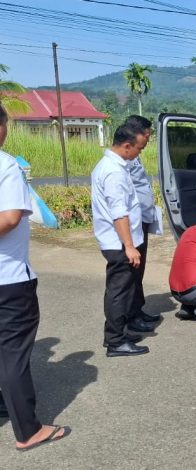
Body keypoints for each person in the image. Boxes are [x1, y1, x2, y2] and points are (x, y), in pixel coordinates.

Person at [0, 103, 70, 450]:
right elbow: (10, 217)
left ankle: (5, 404)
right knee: (13, 352)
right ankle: (28, 431)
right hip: (9, 277)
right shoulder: (5, 165)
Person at [91, 123, 156, 357]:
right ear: (127, 146)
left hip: (119, 241)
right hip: (119, 243)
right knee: (119, 291)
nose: (139, 153)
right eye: (139, 148)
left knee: (121, 290)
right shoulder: (114, 172)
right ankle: (115, 341)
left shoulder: (112, 166)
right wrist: (129, 246)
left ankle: (118, 333)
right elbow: (119, 212)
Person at [123, 115, 160, 324]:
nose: (148, 138)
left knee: (139, 268)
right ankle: (131, 315)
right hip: (132, 223)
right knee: (132, 270)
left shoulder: (134, 156)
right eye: (147, 134)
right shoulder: (125, 157)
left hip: (142, 220)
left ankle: (137, 309)